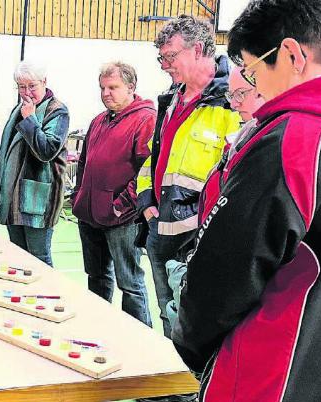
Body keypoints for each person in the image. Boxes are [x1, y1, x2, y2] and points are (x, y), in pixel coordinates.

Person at [172, 2, 321, 401]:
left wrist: (192, 345)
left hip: (272, 374)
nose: (256, 90)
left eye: (252, 71)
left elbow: (222, 277)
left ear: (291, 55)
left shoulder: (296, 139)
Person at [135, 15, 241, 339]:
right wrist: (146, 202)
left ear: (197, 50)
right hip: (160, 231)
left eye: (170, 56)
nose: (164, 65)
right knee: (168, 318)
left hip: (198, 239)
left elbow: (235, 176)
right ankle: (173, 386)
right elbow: (155, 158)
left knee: (194, 325)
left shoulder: (233, 103)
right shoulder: (171, 100)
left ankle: (190, 389)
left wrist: (202, 225)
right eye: (161, 58)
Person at [72, 62, 155, 326]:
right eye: (103, 88)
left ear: (131, 87)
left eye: (113, 87)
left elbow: (148, 169)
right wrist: (79, 196)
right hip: (90, 215)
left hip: (123, 219)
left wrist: (122, 205)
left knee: (129, 284)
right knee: (96, 278)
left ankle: (141, 342)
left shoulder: (146, 119)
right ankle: (100, 330)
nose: (106, 93)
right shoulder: (99, 120)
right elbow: (84, 163)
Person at [0, 61, 70, 266]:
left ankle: (47, 296)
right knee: (17, 257)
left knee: (39, 258)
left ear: (44, 82)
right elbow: (4, 153)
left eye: (32, 86)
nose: (27, 92)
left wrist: (30, 119)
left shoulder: (57, 111)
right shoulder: (19, 109)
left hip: (37, 199)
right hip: (13, 198)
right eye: (21, 87)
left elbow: (46, 151)